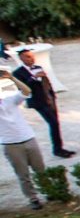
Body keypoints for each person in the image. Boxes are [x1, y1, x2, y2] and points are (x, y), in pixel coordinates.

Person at [11, 49, 73, 158]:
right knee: (53, 123)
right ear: (21, 58)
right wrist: (33, 77)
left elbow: (46, 82)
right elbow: (23, 89)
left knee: (56, 123)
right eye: (28, 56)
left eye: (32, 56)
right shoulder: (17, 73)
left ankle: (59, 147)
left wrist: (51, 94)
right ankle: (57, 149)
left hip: (48, 98)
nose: (31, 58)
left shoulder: (37, 67)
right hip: (38, 101)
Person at [0, 71, 47, 208]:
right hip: (10, 143)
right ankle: (33, 199)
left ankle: (49, 191)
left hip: (28, 137)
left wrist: (12, 78)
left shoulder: (10, 100)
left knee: (40, 168)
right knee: (23, 174)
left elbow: (26, 91)